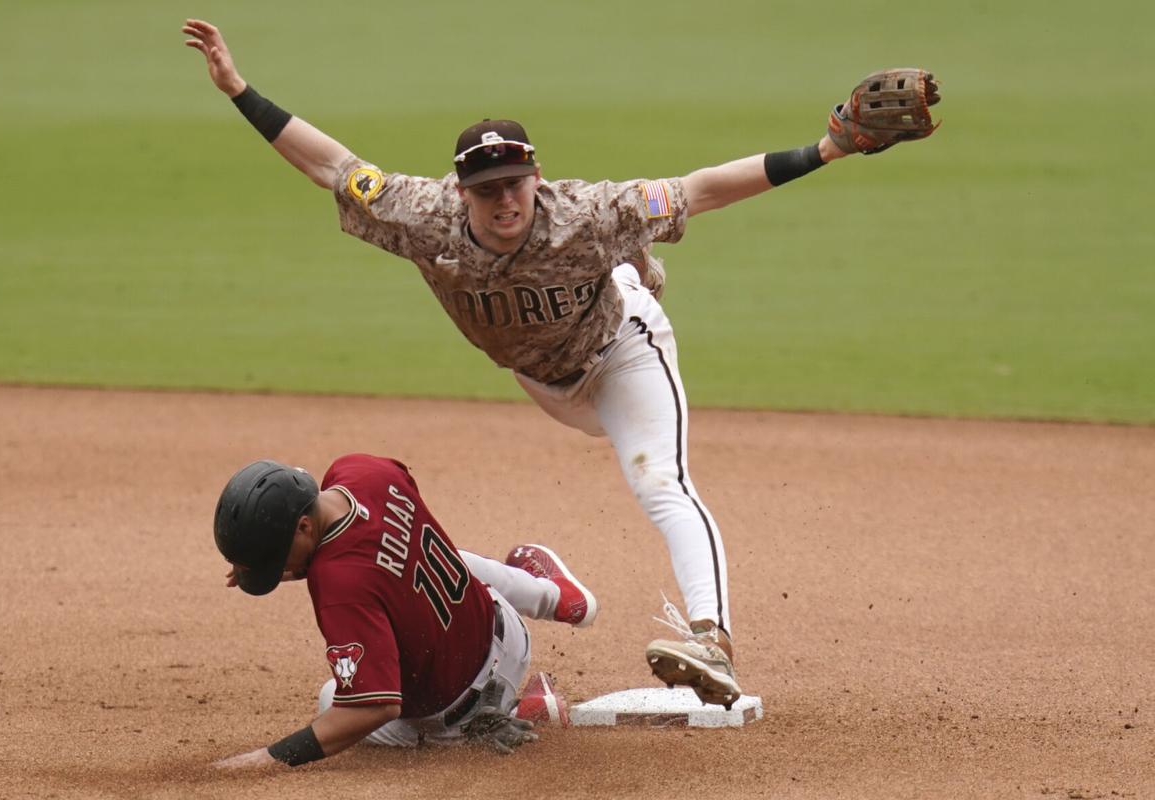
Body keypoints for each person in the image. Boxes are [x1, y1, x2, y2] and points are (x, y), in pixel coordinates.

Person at [183, 18, 939, 710]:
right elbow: (331, 166)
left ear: (536, 177)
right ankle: (541, 576)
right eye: (485, 190)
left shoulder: (588, 213)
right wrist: (240, 90)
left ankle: (713, 636)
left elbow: (703, 189)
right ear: (462, 192)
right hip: (540, 380)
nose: (502, 200)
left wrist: (828, 148)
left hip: (620, 354)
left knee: (659, 479)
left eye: (514, 183)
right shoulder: (423, 215)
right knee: (577, 387)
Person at [209, 454, 597, 768]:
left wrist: (270, 757)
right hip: (507, 629)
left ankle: (508, 711)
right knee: (431, 558)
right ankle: (551, 596)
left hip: (459, 713)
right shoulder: (363, 471)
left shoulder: (338, 587)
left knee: (333, 700)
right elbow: (377, 535)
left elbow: (374, 708)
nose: (277, 569)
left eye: (275, 557)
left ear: (305, 528)